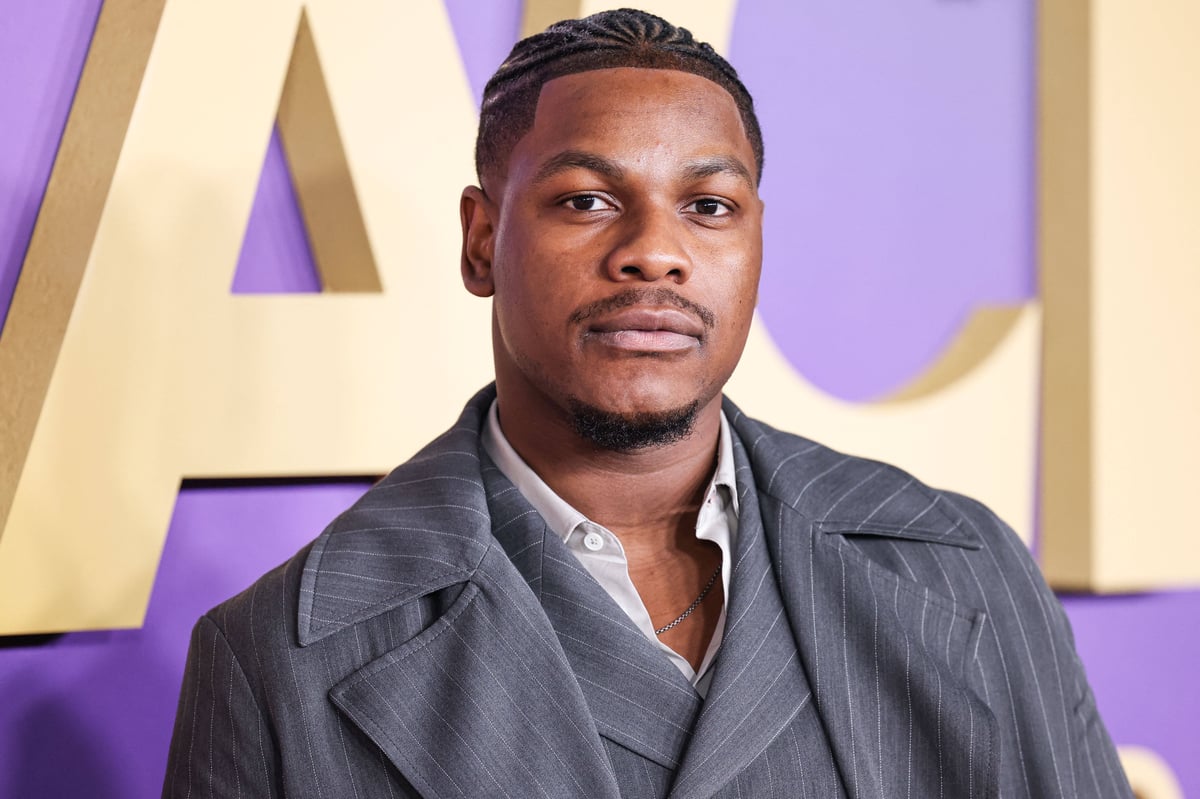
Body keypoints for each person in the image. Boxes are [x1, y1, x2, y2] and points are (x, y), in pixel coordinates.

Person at [163, 10, 1132, 798]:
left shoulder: (969, 574)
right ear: (479, 239)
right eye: (587, 200)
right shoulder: (274, 661)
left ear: (756, 243)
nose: (654, 251)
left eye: (708, 207)